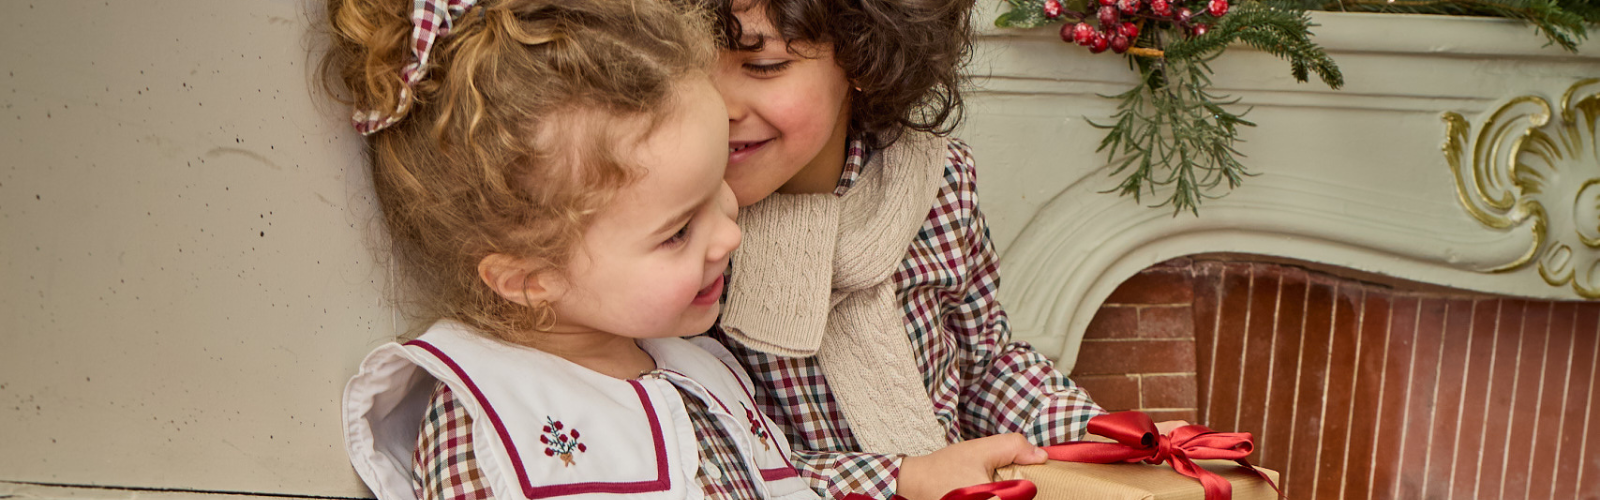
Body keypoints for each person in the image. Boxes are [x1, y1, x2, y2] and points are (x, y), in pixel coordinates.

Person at [320, 1, 817, 500]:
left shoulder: (703, 370)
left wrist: (892, 477)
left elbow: (786, 477)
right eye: (679, 231)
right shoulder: (490, 423)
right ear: (532, 280)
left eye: (717, 188)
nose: (731, 235)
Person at [676, 0, 1128, 498]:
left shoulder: (936, 181)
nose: (721, 105)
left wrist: (1108, 436)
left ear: (864, 59)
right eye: (690, 67)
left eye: (763, 67)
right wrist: (906, 478)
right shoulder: (673, 230)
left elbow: (985, 368)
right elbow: (702, 453)